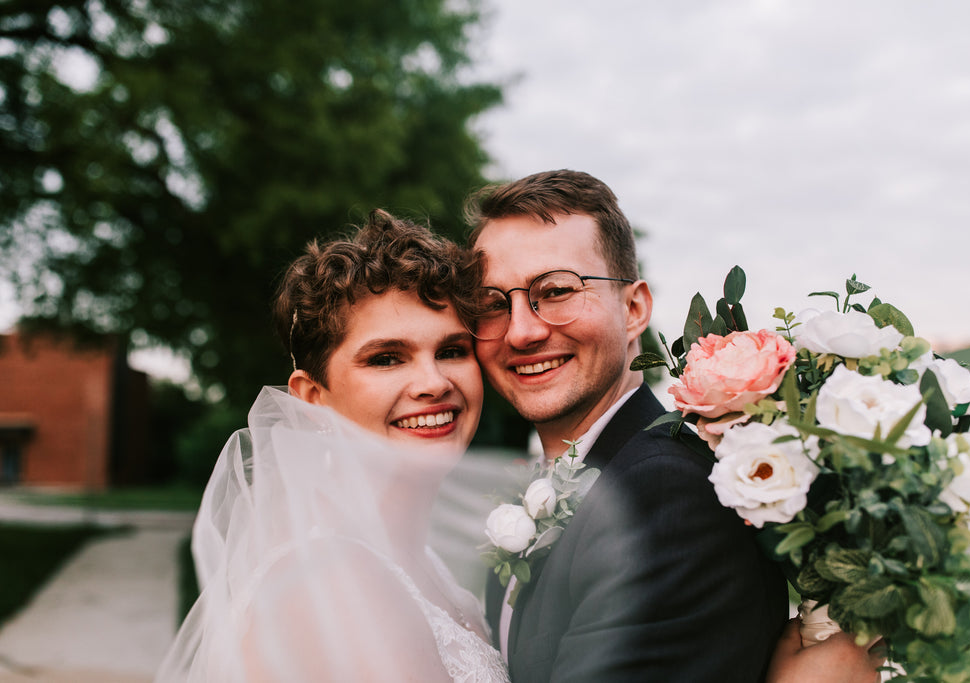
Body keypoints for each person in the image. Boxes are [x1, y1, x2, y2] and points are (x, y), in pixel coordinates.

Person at [466, 169, 883, 683]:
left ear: (635, 307)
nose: (522, 330)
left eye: (555, 291)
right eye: (490, 304)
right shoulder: (560, 485)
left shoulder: (664, 497)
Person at [155, 209, 510, 682]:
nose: (434, 382)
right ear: (312, 398)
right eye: (386, 359)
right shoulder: (328, 586)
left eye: (451, 351)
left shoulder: (424, 562)